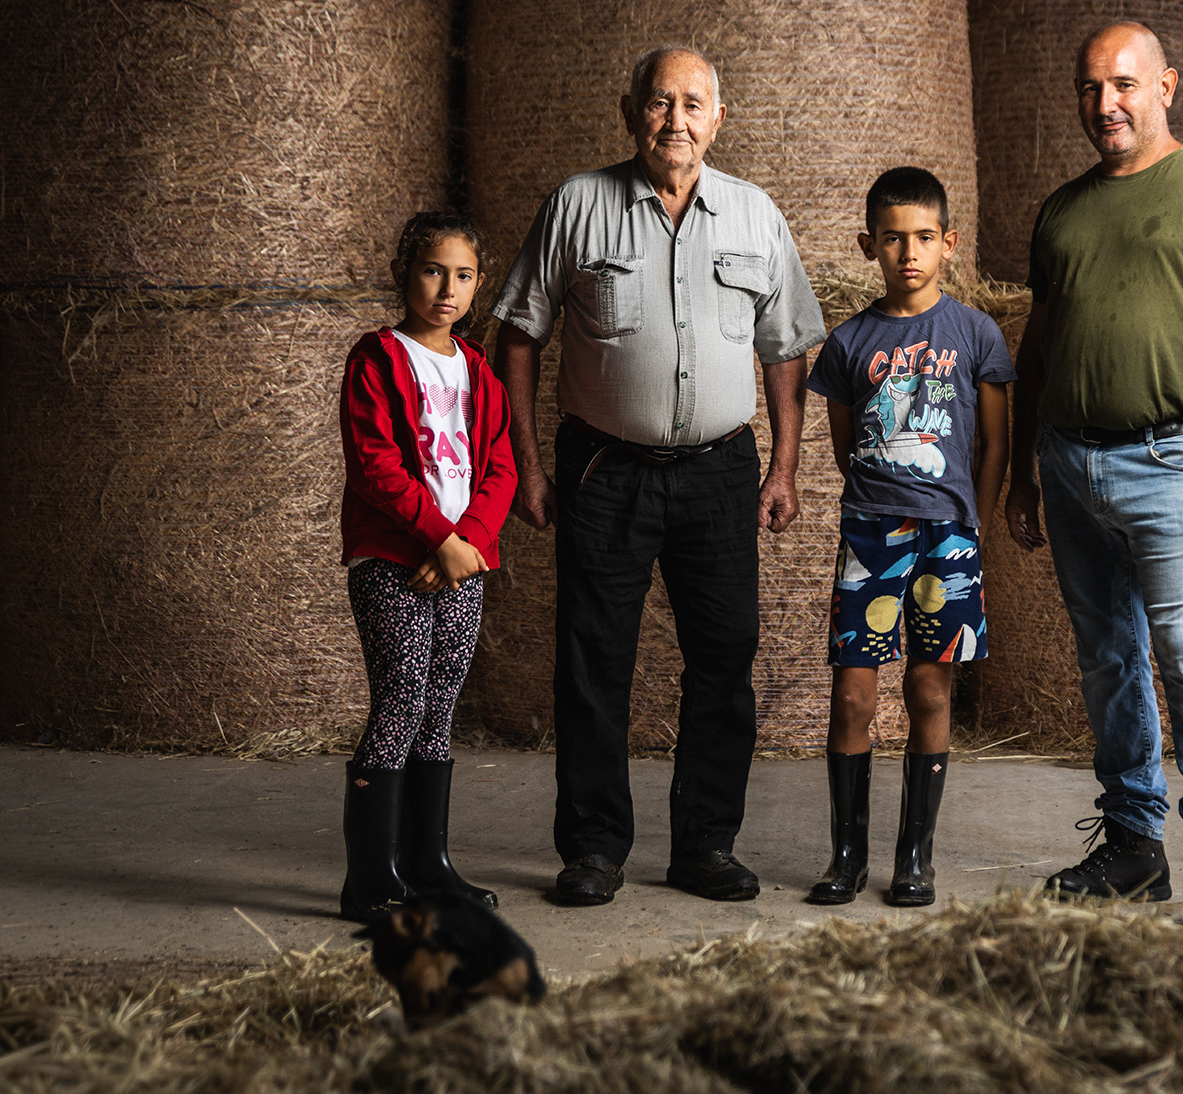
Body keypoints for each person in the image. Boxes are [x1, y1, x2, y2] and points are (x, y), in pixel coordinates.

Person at [490, 45, 825, 907]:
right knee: (593, 659)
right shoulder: (578, 205)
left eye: (693, 104)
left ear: (720, 118)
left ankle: (705, 845)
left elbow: (785, 347)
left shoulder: (755, 216)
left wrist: (785, 464)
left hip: (720, 470)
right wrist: (527, 465)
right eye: (659, 101)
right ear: (629, 108)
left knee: (725, 655)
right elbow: (518, 335)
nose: (675, 119)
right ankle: (594, 848)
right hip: (604, 468)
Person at [1006, 22, 1183, 932]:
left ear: (1167, 84)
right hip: (1069, 458)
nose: (1105, 105)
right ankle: (1132, 846)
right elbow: (1041, 342)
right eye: (1089, 88)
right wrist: (1021, 470)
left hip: (1175, 462)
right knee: (1109, 659)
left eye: (1123, 84)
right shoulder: (1064, 208)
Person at [803, 167, 1014, 908]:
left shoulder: (975, 333)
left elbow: (994, 445)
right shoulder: (848, 343)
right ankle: (847, 854)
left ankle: (914, 857)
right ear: (869, 245)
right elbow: (841, 444)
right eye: (892, 238)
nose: (908, 252)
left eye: (924, 237)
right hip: (870, 534)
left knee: (929, 686)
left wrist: (970, 524)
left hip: (947, 534)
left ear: (949, 243)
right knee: (854, 696)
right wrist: (880, 500)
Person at [337, 211, 519, 923]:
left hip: (462, 562)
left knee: (440, 703)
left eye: (464, 275)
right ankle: (369, 880)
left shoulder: (475, 368)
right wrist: (437, 539)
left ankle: (427, 863)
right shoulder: (377, 358)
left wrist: (466, 541)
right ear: (405, 274)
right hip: (395, 559)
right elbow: (375, 463)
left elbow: (500, 463)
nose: (448, 288)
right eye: (433, 270)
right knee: (400, 699)